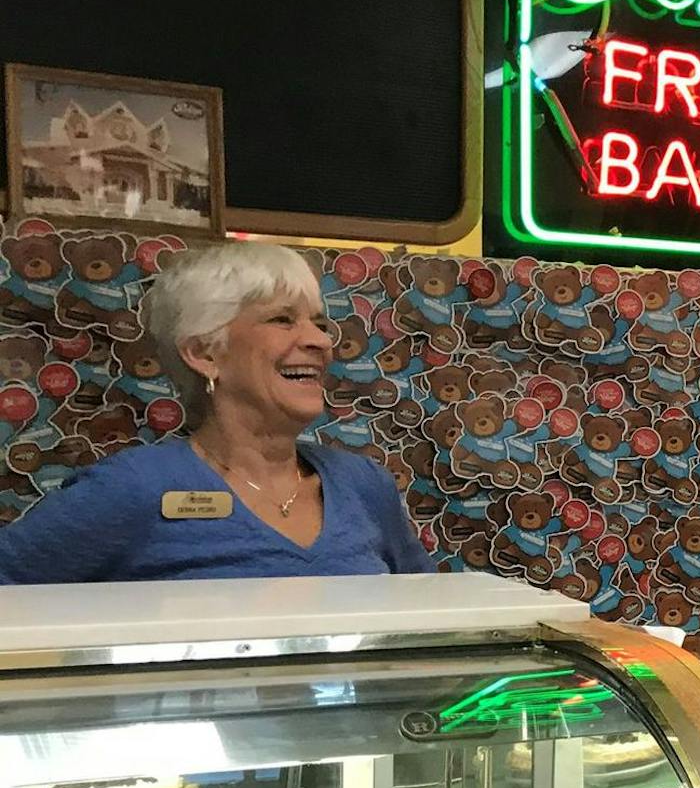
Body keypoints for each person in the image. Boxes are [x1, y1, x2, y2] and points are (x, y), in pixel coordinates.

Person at [0, 241, 430, 583]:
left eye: (319, 322)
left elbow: (432, 619)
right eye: (283, 319)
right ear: (205, 353)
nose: (319, 340)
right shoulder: (135, 488)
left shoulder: (363, 484)